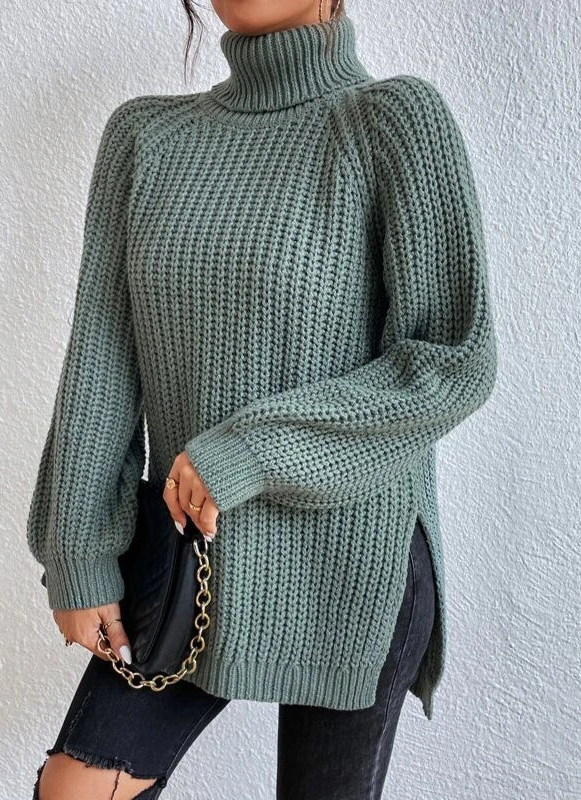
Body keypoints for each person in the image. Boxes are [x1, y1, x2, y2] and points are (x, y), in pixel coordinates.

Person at [27, 1, 498, 798]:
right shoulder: (145, 136)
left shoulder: (392, 121)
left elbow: (452, 361)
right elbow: (102, 361)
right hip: (191, 562)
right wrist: (79, 551)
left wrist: (252, 450)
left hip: (357, 562)